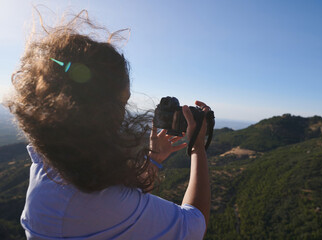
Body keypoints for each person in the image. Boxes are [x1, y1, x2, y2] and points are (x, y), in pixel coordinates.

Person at [5, 10, 211, 240]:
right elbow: (195, 224)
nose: (122, 115)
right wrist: (197, 147)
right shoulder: (91, 202)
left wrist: (154, 158)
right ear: (100, 109)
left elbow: (123, 201)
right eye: (121, 102)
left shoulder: (46, 166)